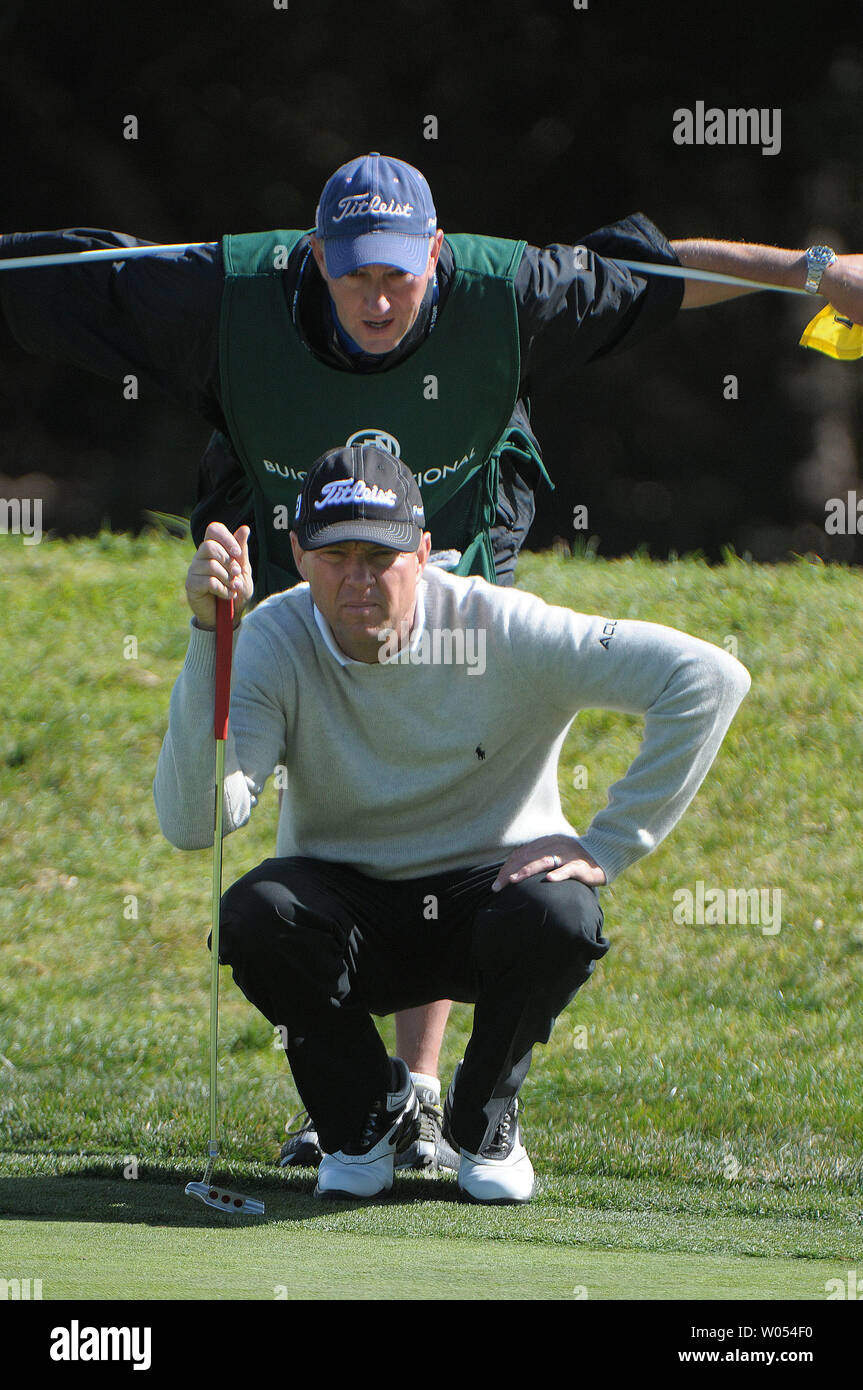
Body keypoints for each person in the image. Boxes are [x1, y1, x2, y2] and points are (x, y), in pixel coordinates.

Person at [1, 152, 854, 1166]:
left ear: (435, 255)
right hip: (292, 539)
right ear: (316, 257)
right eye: (353, 271)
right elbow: (62, 276)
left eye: (397, 273)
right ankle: (363, 1099)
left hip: (452, 543)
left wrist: (813, 270)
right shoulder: (218, 294)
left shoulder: (510, 291)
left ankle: (417, 1088)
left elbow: (655, 273)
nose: (376, 295)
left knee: (444, 765)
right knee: (321, 757)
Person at [153, 441, 750, 1203]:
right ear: (297, 553)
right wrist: (212, 639)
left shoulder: (500, 626)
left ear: (426, 551)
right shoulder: (273, 634)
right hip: (347, 911)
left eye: (381, 554)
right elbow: (193, 822)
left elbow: (705, 677)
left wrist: (608, 844)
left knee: (559, 912)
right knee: (256, 915)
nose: (358, 578)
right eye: (335, 555)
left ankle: (481, 1122)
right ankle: (361, 1121)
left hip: (488, 904)